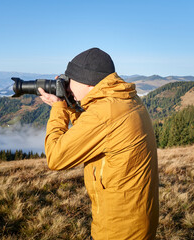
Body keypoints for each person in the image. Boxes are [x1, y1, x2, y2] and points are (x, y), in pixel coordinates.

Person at [38, 48, 159, 240]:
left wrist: (59, 107)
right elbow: (95, 132)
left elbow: (55, 157)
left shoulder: (106, 112)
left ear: (86, 81)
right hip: (135, 218)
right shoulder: (124, 99)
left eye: (70, 81)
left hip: (120, 229)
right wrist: (70, 105)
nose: (67, 86)